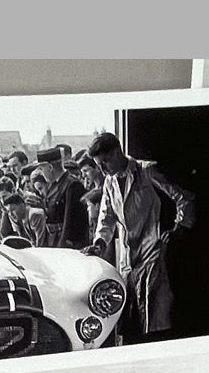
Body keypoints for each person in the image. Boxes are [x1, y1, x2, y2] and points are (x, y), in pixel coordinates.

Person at [83, 132, 195, 343]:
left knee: (155, 317)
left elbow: (184, 199)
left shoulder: (147, 171)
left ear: (117, 152)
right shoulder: (110, 182)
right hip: (127, 257)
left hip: (153, 251)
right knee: (129, 316)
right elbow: (106, 219)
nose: (103, 169)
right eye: (98, 165)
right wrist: (99, 243)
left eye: (105, 162)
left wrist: (178, 229)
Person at [34, 146, 89, 249]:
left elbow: (69, 221)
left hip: (67, 245)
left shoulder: (72, 185)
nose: (41, 173)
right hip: (53, 241)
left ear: (50, 167)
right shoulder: (54, 185)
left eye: (42, 169)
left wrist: (61, 246)